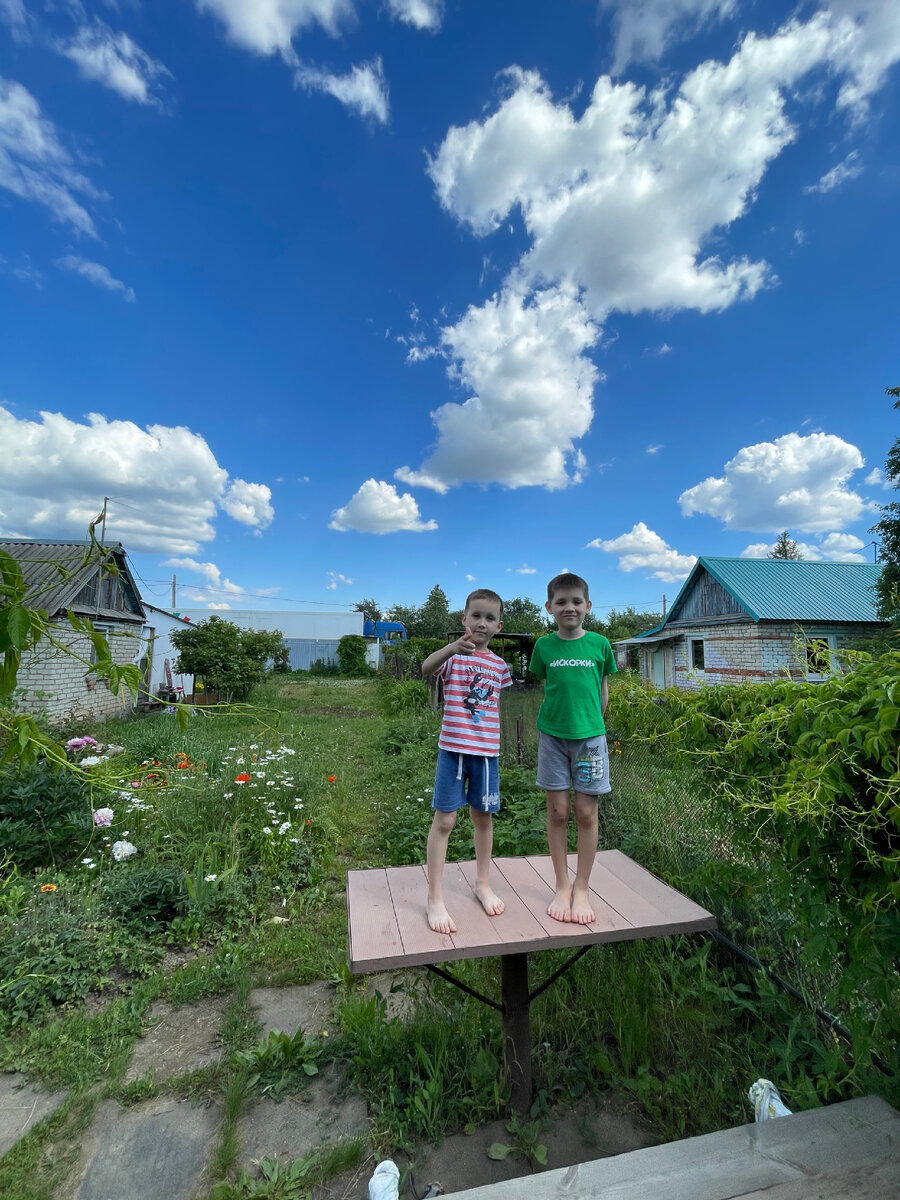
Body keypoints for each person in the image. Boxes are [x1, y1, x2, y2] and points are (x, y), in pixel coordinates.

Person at [421, 589, 512, 934]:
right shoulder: (454, 657)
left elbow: (494, 704)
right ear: (464, 619)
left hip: (487, 755)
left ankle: (483, 884)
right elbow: (425, 669)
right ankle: (434, 898)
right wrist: (450, 648)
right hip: (452, 752)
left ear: (498, 625)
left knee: (483, 818)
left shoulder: (500, 666)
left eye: (490, 618)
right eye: (476, 616)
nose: (482, 624)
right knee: (444, 821)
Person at [529, 572, 617, 925]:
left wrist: (593, 726)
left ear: (588, 606)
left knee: (586, 812)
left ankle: (582, 887)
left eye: (576, 601)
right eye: (561, 602)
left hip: (590, 740)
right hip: (552, 737)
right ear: (549, 607)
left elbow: (603, 689)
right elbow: (547, 686)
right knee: (558, 812)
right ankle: (562, 885)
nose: (569, 607)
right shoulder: (543, 647)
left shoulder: (600, 644)